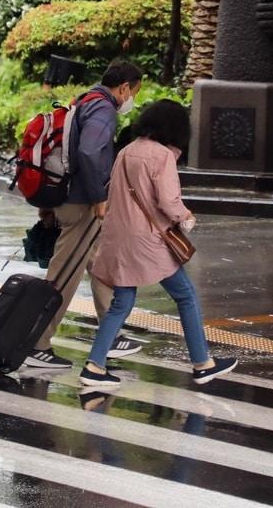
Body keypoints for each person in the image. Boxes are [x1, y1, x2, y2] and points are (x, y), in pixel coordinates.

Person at [80, 100, 239, 388]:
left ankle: (94, 366)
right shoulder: (162, 156)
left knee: (121, 303)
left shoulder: (127, 151)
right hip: (148, 242)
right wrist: (185, 216)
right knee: (186, 296)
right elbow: (168, 201)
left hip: (119, 238)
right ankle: (203, 363)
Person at [25, 60, 146, 370]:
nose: (132, 99)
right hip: (81, 203)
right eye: (134, 92)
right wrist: (99, 196)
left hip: (72, 197)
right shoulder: (103, 110)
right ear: (124, 88)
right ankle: (36, 342)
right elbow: (90, 152)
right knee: (64, 275)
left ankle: (111, 331)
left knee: (100, 262)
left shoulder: (84, 100)